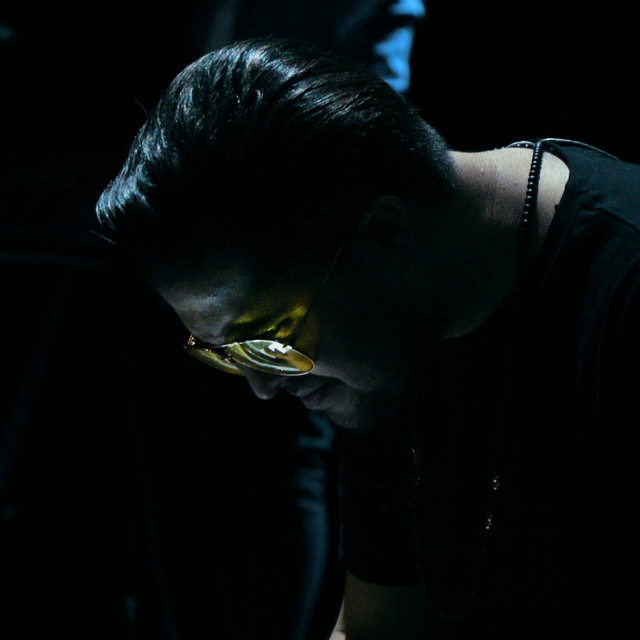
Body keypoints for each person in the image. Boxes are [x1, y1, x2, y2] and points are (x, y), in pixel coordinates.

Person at [95, 38, 640, 638]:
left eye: (270, 337)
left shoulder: (621, 287)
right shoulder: (383, 351)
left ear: (384, 234)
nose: (262, 386)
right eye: (225, 353)